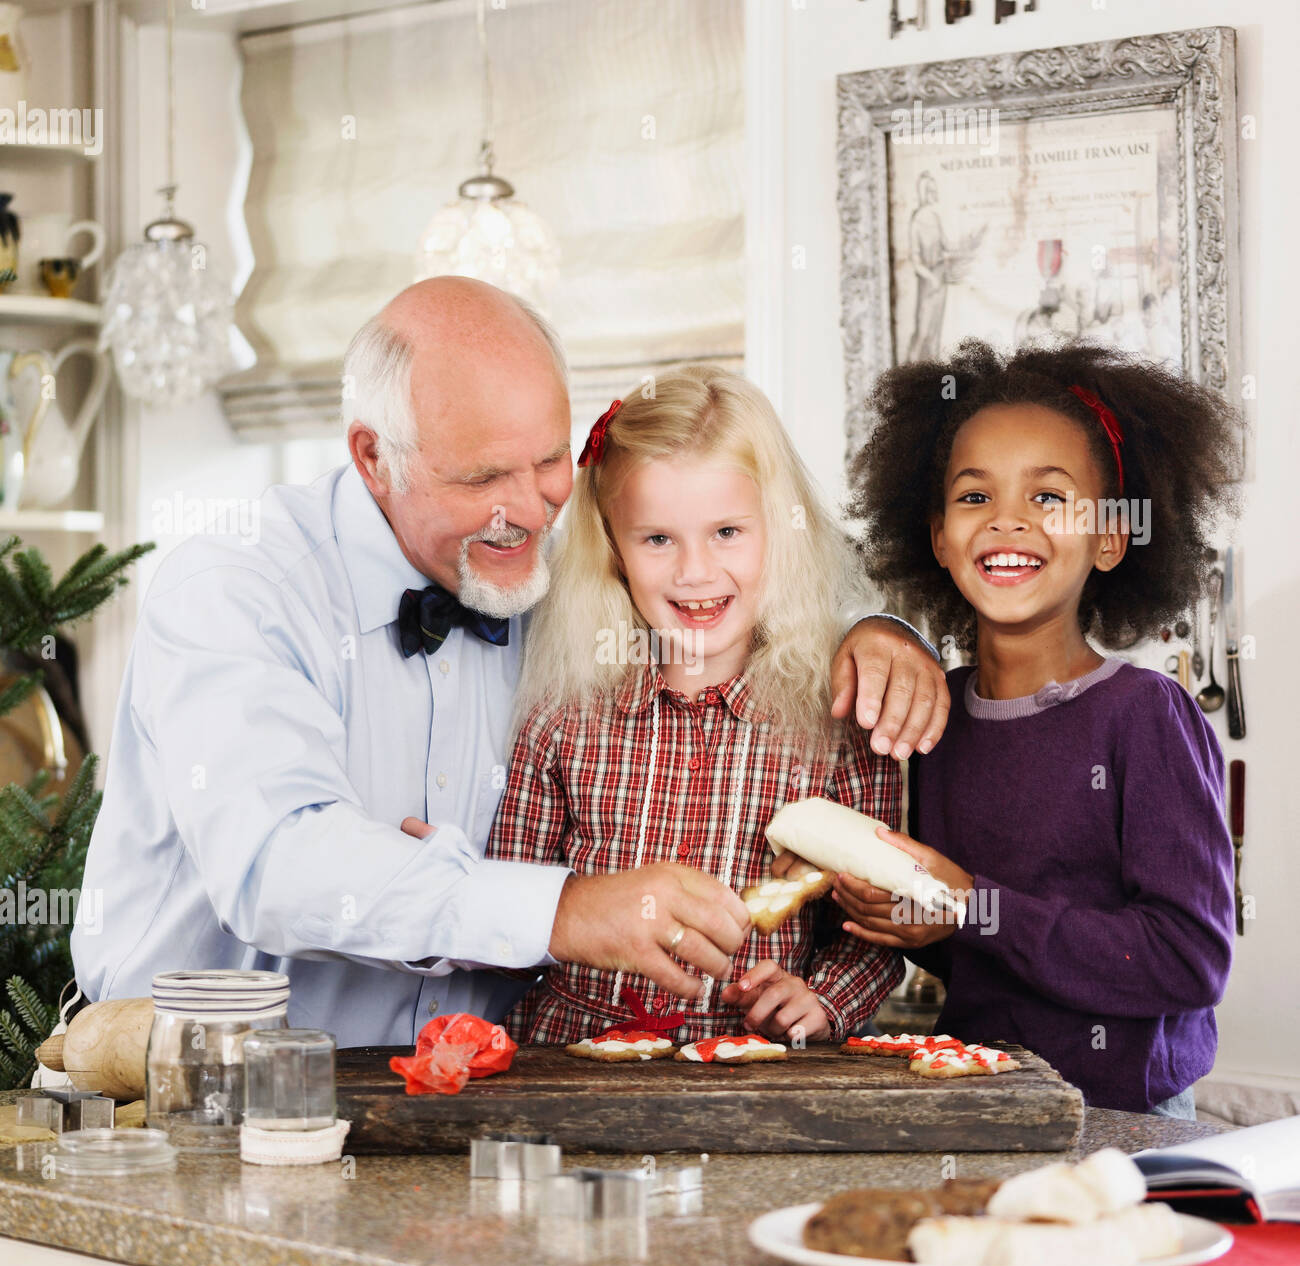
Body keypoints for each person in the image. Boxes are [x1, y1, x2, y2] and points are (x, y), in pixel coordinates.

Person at [71, 277, 948, 1048]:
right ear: (375, 456)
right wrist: (563, 909)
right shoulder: (237, 587)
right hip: (204, 1088)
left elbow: (729, 591)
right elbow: (276, 868)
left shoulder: (545, 582)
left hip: (464, 1100)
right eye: (485, 477)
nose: (527, 512)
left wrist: (874, 629)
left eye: (546, 463)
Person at [833, 337, 1240, 1116]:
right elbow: (980, 946)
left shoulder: (1146, 715)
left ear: (1111, 538)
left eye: (1048, 498)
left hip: (1122, 1115)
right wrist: (917, 921)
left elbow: (1187, 962)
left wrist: (968, 905)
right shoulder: (933, 717)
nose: (1008, 523)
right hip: (972, 1097)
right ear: (939, 540)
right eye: (975, 498)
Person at [486, 365, 904, 1045]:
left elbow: (875, 926)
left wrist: (821, 1000)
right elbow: (508, 908)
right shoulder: (562, 712)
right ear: (615, 552)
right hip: (573, 1060)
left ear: (780, 532)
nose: (695, 572)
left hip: (751, 1068)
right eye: (657, 539)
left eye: (728, 533)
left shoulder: (839, 724)